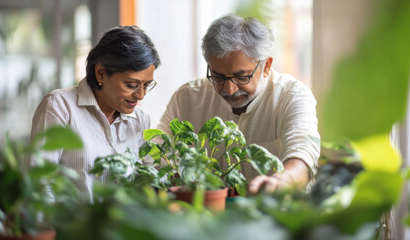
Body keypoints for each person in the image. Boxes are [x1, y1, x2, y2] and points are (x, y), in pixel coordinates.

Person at [158, 14, 320, 194]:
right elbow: (156, 151)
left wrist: (279, 182)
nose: (230, 89)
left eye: (241, 77)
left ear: (266, 66)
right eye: (218, 77)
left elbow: (303, 158)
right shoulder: (188, 97)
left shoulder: (292, 96)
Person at [31, 26, 161, 199]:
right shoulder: (59, 108)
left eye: (146, 85)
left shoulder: (140, 120)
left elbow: (149, 180)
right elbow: (39, 182)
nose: (141, 95)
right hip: (69, 225)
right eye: (131, 85)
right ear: (101, 73)